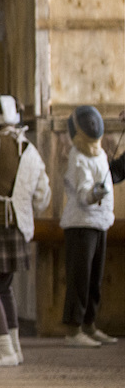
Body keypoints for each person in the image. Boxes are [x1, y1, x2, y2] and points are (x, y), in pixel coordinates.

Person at [0, 95, 50, 367]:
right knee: (3, 287)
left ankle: (5, 350)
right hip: (19, 224)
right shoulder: (29, 149)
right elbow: (43, 196)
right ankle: (14, 349)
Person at [59, 105, 116, 346]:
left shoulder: (100, 154)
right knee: (79, 279)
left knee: (94, 279)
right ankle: (73, 331)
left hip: (99, 224)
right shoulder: (77, 157)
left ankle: (89, 325)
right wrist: (94, 194)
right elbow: (83, 194)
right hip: (80, 226)